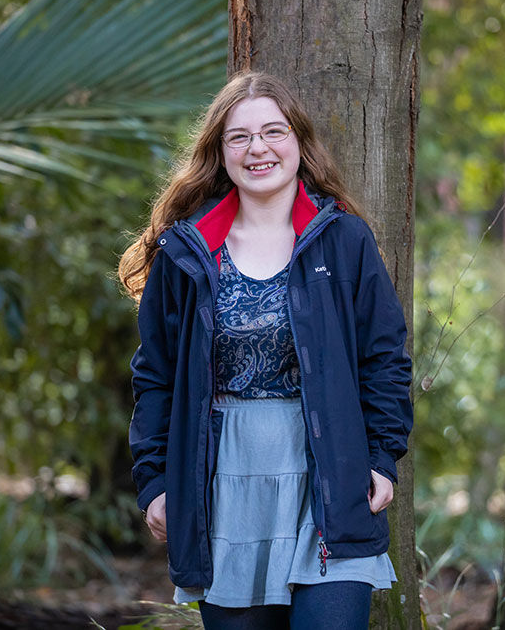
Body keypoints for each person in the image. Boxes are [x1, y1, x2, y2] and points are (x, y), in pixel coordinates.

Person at [118, 71, 413, 629]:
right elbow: (154, 376)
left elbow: (385, 357)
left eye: (274, 132)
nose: (258, 148)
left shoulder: (343, 240)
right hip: (223, 483)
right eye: (239, 137)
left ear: (299, 142)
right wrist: (155, 482)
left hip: (330, 479)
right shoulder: (188, 252)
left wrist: (382, 458)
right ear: (220, 153)